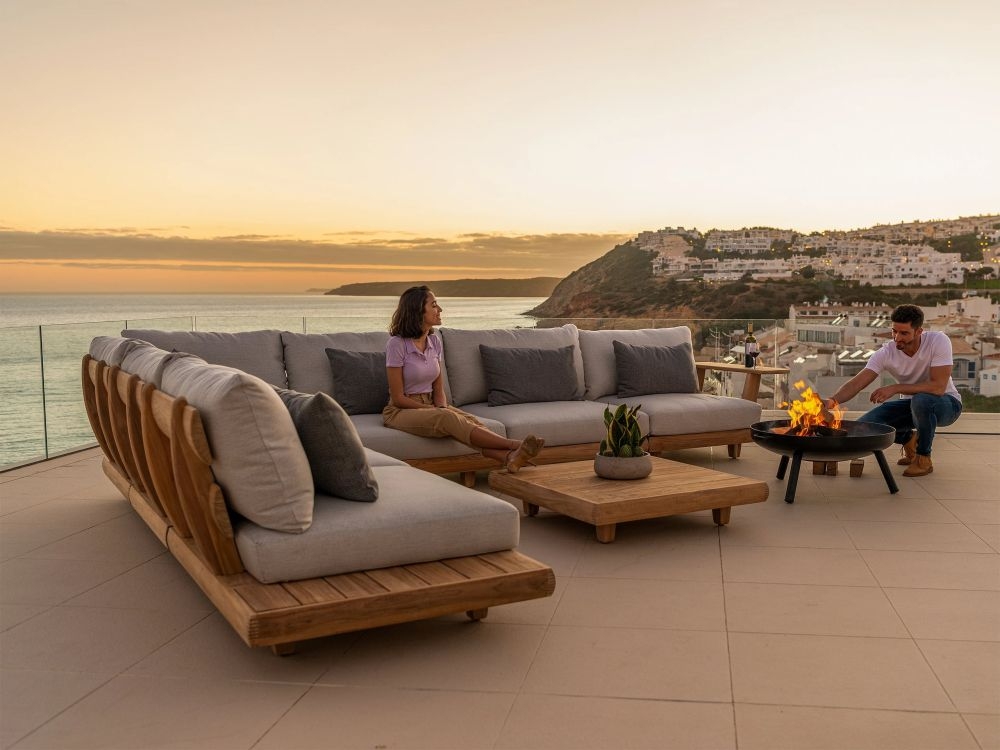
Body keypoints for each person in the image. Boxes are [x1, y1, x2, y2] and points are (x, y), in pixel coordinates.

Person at [382, 285, 544, 472]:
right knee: (448, 418)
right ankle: (515, 445)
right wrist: (433, 410)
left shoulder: (434, 342)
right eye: (434, 305)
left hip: (431, 404)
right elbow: (398, 398)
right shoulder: (397, 344)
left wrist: (440, 406)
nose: (440, 309)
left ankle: (510, 459)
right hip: (400, 411)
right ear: (417, 310)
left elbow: (438, 386)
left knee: (472, 422)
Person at [822, 304, 962, 477]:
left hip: (946, 404)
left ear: (919, 332)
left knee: (922, 400)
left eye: (904, 333)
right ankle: (909, 440)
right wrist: (832, 401)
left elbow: (938, 387)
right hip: (912, 406)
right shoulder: (886, 352)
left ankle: (923, 457)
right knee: (867, 426)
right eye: (894, 331)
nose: (897, 338)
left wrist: (896, 388)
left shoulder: (938, 341)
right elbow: (858, 382)